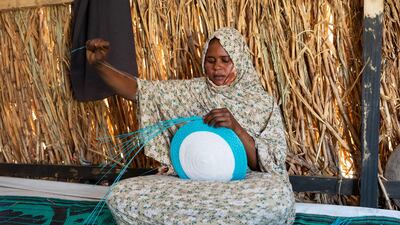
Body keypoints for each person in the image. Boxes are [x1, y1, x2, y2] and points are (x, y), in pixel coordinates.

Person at [87, 27, 295, 224]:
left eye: (226, 60)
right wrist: (100, 65)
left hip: (243, 184)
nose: (217, 68)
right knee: (121, 195)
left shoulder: (261, 103)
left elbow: (269, 165)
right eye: (210, 61)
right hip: (191, 182)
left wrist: (236, 128)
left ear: (240, 60)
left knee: (275, 200)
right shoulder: (191, 92)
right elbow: (139, 91)